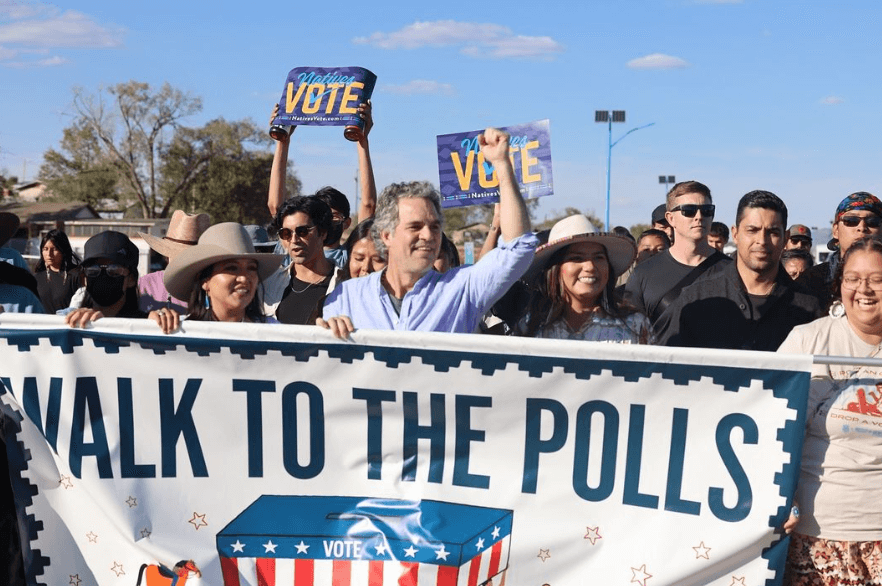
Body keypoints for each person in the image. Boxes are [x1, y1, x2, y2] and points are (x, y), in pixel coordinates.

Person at [320, 127, 537, 338]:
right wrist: (328, 334)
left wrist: (502, 164)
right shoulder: (346, 296)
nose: (428, 235)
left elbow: (518, 248)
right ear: (387, 235)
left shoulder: (462, 289)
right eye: (415, 227)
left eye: (434, 227)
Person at [778, 235, 882, 586]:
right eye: (853, 278)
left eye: (878, 279)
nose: (864, 289)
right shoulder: (807, 340)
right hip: (816, 534)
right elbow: (769, 425)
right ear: (839, 285)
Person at [657, 190, 822, 351]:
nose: (762, 241)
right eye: (752, 230)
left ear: (785, 238)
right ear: (735, 234)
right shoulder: (695, 299)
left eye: (772, 232)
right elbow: (668, 366)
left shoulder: (809, 308)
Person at [267, 102, 377, 269]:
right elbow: (276, 207)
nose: (326, 221)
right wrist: (282, 141)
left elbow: (368, 204)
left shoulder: (349, 257)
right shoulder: (294, 251)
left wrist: (362, 140)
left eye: (332, 216)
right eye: (320, 215)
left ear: (346, 223)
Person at [514, 214, 654, 343]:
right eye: (576, 258)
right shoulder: (530, 326)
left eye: (598, 257)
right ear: (555, 270)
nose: (590, 267)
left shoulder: (635, 325)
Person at [625, 181, 730, 324]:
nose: (699, 216)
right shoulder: (642, 274)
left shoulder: (734, 271)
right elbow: (631, 334)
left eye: (706, 210)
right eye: (688, 210)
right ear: (670, 218)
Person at [152, 223, 283, 332]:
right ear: (205, 281)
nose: (244, 278)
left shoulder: (275, 332)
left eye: (252, 268)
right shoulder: (181, 331)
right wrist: (151, 327)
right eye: (231, 268)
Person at [262, 196, 346, 324]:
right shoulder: (269, 284)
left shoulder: (345, 287)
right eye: (286, 233)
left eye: (302, 231)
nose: (294, 240)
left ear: (322, 233)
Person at [799, 192, 882, 311]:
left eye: (872, 222)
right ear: (836, 230)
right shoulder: (810, 282)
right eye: (851, 221)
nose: (862, 227)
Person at [64, 231, 146, 327]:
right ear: (84, 277)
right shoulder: (67, 321)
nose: (103, 275)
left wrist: (159, 320)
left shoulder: (147, 327)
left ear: (131, 279)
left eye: (114, 270)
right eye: (93, 269)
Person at [137, 210, 211, 314]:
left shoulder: (213, 289)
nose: (183, 263)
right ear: (166, 255)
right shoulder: (145, 285)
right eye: (177, 255)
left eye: (191, 258)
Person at [32, 229, 81, 314]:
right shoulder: (36, 278)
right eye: (45, 249)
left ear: (63, 250)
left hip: (67, 325)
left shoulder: (76, 275)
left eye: (54, 249)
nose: (49, 254)